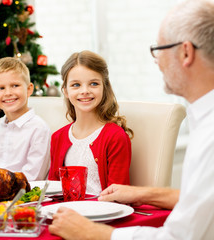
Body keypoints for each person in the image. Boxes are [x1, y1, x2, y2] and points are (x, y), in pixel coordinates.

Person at [49, 0, 214, 239]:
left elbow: (179, 237)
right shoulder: (204, 120)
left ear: (185, 52)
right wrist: (141, 193)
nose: (156, 61)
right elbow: (198, 198)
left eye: (159, 50)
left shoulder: (209, 134)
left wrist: (93, 233)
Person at [48, 50, 133, 195]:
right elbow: (52, 191)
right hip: (65, 213)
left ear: (104, 88)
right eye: (76, 85)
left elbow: (118, 197)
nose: (85, 91)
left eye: (93, 83)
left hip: (101, 214)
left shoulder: (115, 137)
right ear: (66, 91)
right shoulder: (58, 138)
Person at [0, 57, 51, 181]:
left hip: (26, 196)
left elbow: (34, 176)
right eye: (1, 88)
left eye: (15, 85)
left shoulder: (39, 129)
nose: (8, 93)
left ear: (29, 89)